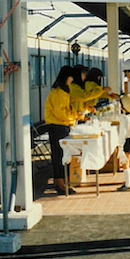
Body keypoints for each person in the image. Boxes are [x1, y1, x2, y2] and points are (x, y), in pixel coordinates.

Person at [45, 66, 78, 195]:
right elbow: (61, 113)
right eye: (71, 77)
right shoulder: (58, 93)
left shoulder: (64, 91)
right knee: (59, 155)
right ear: (66, 77)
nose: (72, 80)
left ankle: (62, 182)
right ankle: (60, 184)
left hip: (61, 125)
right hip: (57, 126)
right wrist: (74, 116)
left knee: (62, 155)